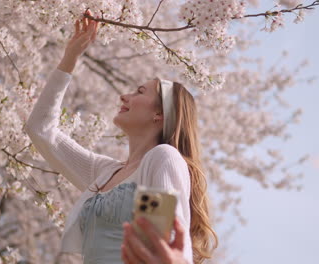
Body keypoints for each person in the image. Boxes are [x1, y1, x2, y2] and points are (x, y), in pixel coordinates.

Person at [24, 9, 217, 264]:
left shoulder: (159, 159)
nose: (124, 96)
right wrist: (70, 57)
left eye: (139, 92)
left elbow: (161, 242)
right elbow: (40, 129)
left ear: (159, 114)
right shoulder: (102, 173)